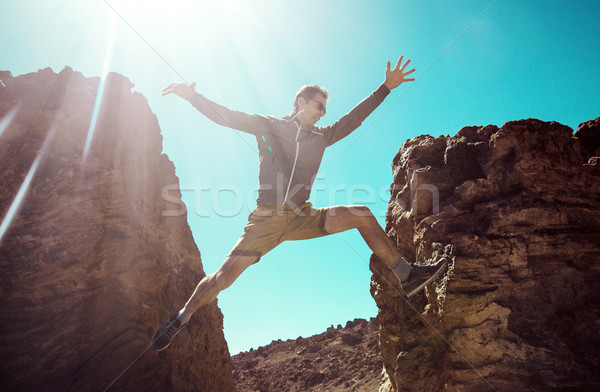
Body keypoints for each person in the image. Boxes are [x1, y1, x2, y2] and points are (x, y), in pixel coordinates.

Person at [152, 56, 447, 351]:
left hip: (301, 217)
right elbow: (228, 116)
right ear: (301, 101)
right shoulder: (267, 125)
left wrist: (385, 88)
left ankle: (406, 274)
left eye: (325, 109)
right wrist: (193, 97)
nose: (323, 113)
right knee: (222, 279)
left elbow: (352, 120)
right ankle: (181, 317)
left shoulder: (322, 136)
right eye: (319, 105)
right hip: (266, 220)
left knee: (361, 214)